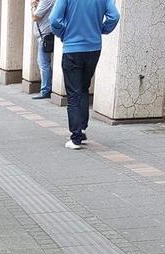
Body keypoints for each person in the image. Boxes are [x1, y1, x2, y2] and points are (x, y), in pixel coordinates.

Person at [49, 0, 119, 149]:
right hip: (94, 48)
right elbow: (114, 16)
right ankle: (82, 128)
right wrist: (102, 29)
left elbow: (54, 19)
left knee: (73, 93)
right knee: (84, 87)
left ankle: (76, 138)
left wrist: (64, 33)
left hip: (72, 49)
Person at [31, 0, 55, 100]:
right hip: (43, 35)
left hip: (44, 36)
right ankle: (46, 88)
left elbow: (35, 17)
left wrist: (33, 7)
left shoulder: (46, 1)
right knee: (43, 62)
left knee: (43, 63)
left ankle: (45, 90)